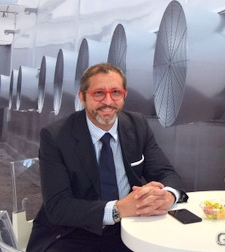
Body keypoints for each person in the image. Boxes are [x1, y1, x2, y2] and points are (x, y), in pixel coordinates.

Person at [27, 63, 187, 252]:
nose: (108, 101)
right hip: (73, 232)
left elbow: (166, 173)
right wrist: (118, 209)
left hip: (130, 228)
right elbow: (58, 206)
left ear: (124, 95)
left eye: (115, 92)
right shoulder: (56, 136)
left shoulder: (138, 125)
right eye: (98, 93)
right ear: (82, 97)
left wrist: (168, 196)